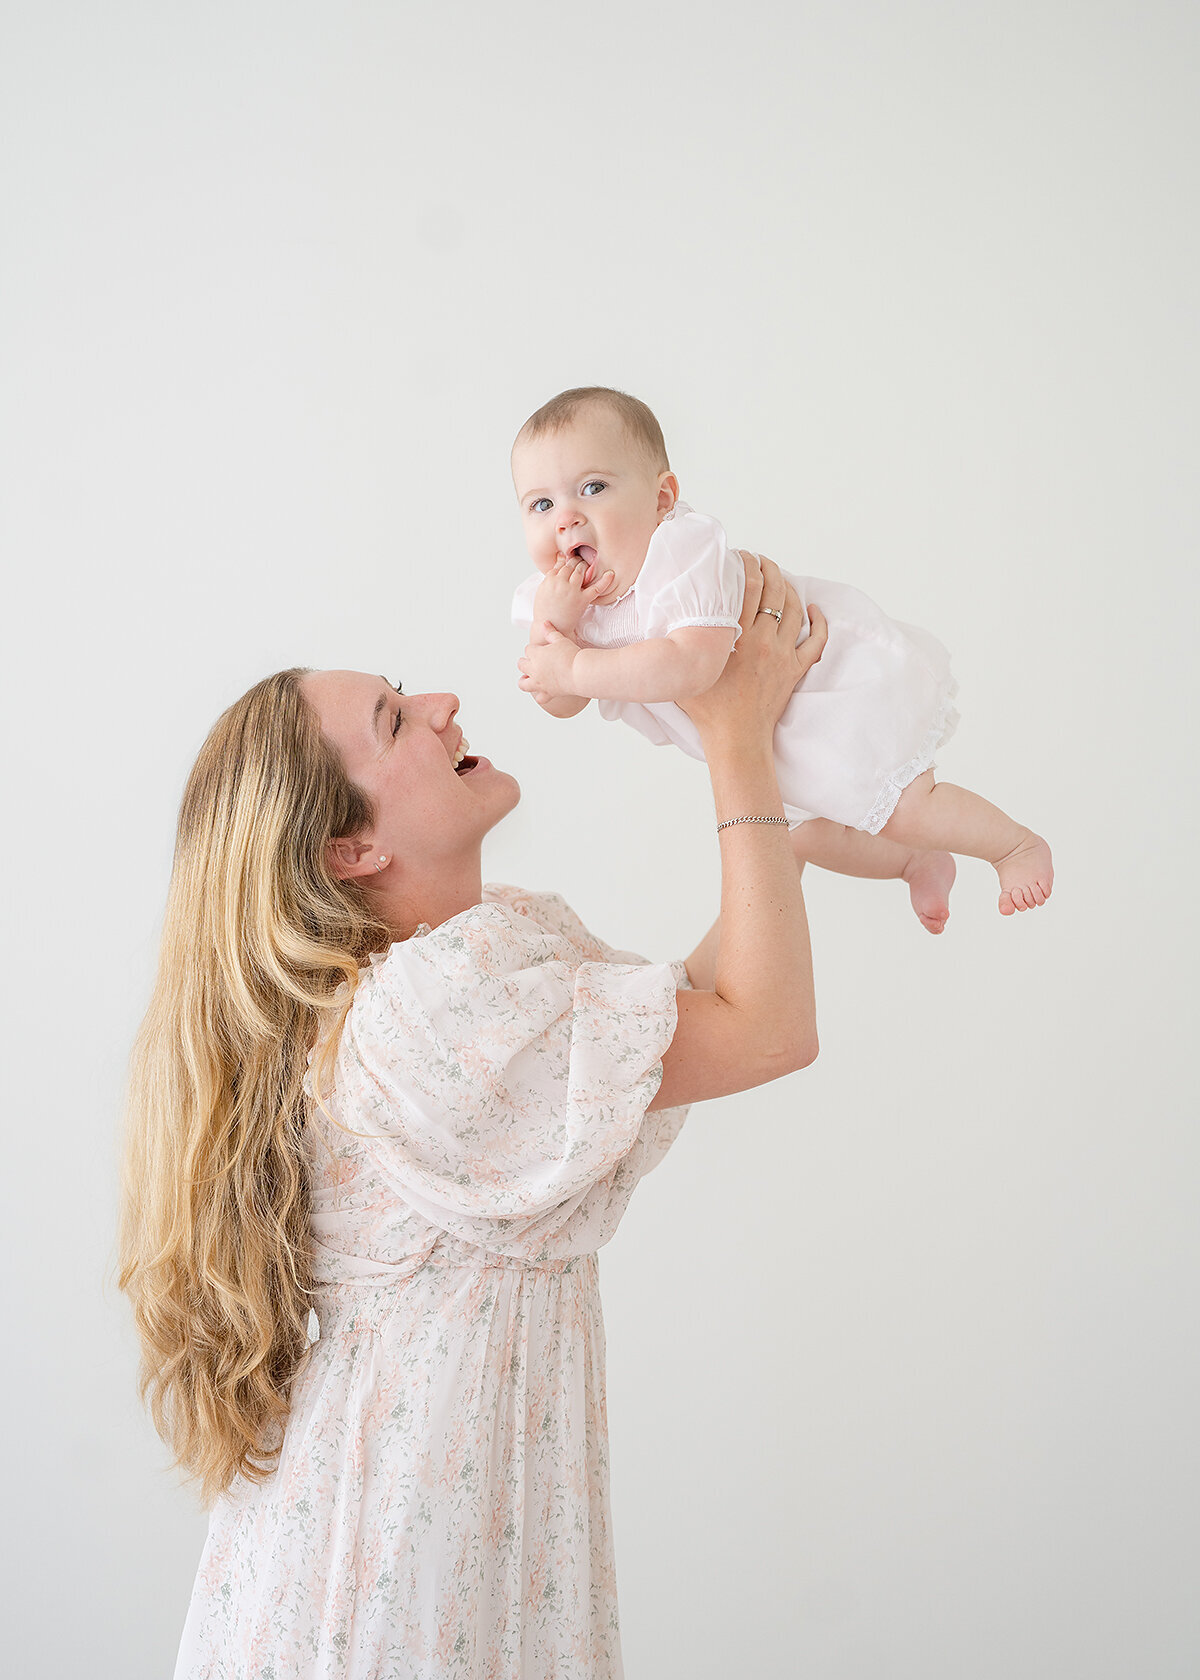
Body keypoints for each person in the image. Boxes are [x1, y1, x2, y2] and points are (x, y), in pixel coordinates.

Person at [120, 554, 826, 1679]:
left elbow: (691, 1016)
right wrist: (734, 736)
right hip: (401, 1567)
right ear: (353, 849)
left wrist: (774, 801)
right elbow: (767, 1027)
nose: (445, 704)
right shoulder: (426, 1024)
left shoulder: (467, 967)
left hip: (437, 1535)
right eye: (398, 719)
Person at [512, 386, 1053, 931]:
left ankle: (1014, 847)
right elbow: (559, 702)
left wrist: (572, 666)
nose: (566, 519)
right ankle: (915, 858)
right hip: (764, 733)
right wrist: (552, 629)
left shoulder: (679, 553)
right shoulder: (552, 600)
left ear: (661, 498)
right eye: (541, 504)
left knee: (909, 804)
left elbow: (690, 666)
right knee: (806, 834)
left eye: (593, 487)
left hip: (822, 691)